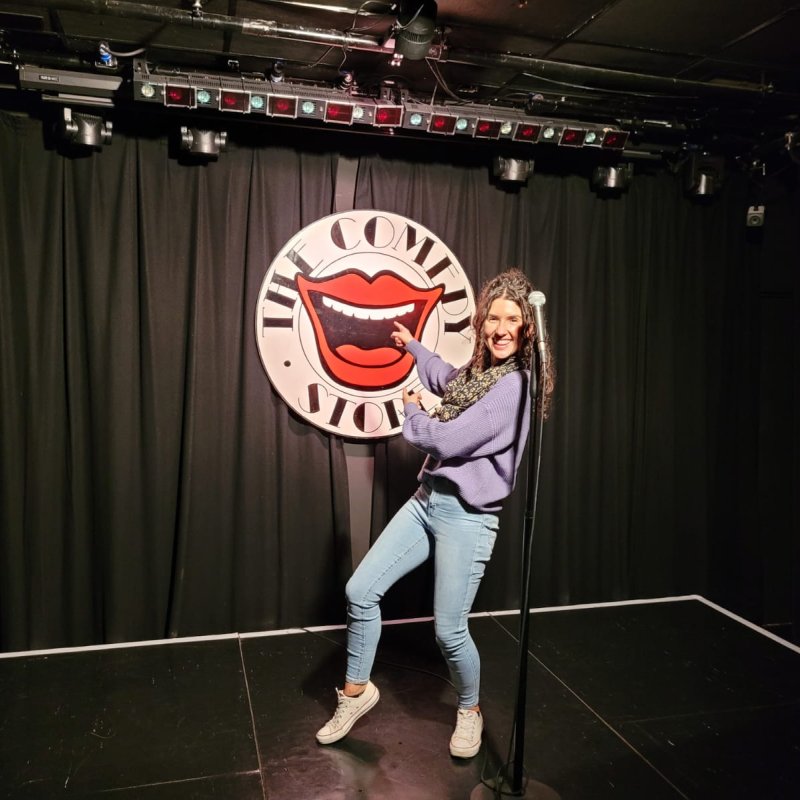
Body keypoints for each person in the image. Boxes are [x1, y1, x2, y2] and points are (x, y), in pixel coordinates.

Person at [316, 267, 554, 758]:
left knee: (448, 629)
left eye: (512, 319)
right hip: (426, 502)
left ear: (527, 328)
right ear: (482, 323)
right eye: (493, 318)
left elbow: (447, 438)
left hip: (467, 516)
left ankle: (469, 710)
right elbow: (449, 380)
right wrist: (414, 349)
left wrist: (413, 410)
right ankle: (358, 693)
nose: (501, 327)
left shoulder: (513, 387)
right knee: (360, 591)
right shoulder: (480, 375)